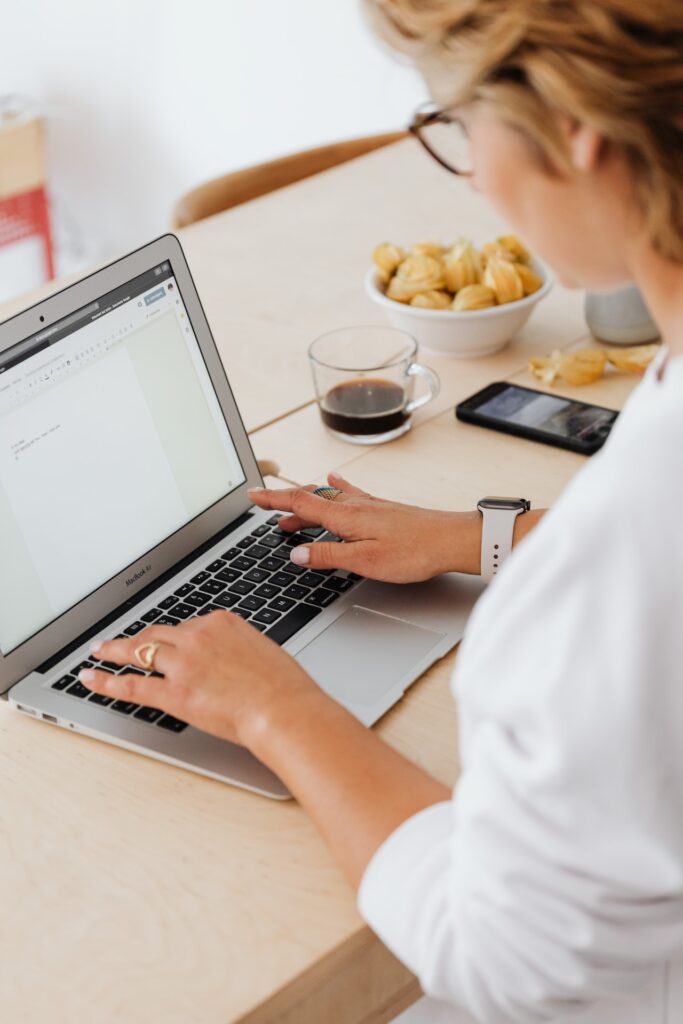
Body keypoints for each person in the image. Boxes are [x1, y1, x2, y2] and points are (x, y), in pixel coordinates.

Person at [79, 1, 683, 1020]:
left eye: (456, 127)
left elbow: (502, 959)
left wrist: (279, 707)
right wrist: (483, 537)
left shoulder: (611, 570)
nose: (475, 177)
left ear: (576, 138)